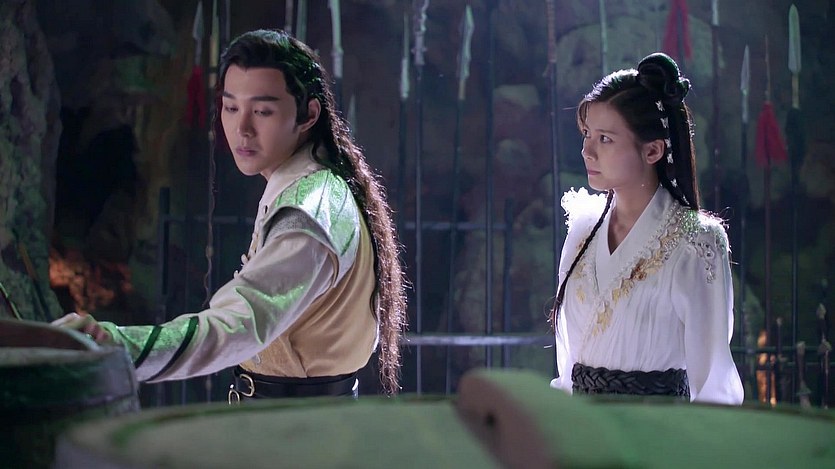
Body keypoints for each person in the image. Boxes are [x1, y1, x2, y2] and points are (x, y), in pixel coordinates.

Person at [53, 29, 407, 399]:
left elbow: (239, 323)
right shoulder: (309, 188)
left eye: (263, 111)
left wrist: (113, 344)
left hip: (298, 422)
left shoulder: (310, 209)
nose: (242, 129)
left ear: (309, 115)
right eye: (231, 107)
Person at [548, 53, 743, 405]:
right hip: (581, 427)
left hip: (656, 428)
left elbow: (713, 384)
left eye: (605, 139)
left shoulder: (695, 242)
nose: (587, 151)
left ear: (652, 150)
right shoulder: (583, 230)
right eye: (587, 134)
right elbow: (567, 365)